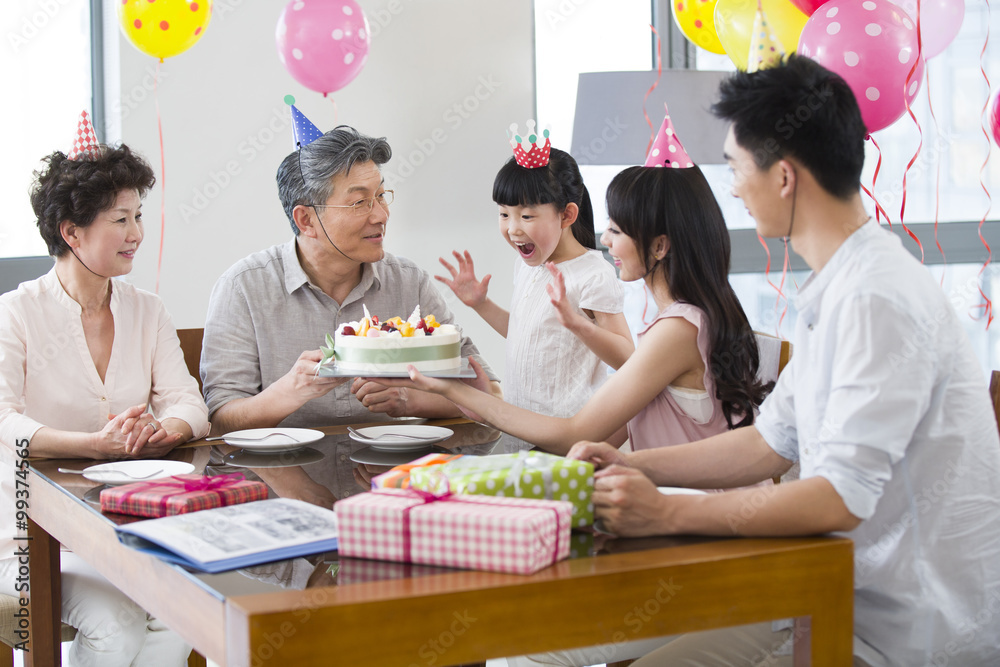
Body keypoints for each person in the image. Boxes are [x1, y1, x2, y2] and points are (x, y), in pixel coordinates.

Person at [569, 55, 1000, 666]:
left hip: (899, 635)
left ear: (785, 176)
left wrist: (665, 510)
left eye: (738, 167)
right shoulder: (842, 285)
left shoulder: (876, 298)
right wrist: (636, 466)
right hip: (825, 599)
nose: (735, 187)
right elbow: (769, 445)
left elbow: (836, 499)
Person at [378, 160, 769, 458]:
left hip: (693, 514)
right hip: (660, 492)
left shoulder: (676, 331)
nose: (605, 239)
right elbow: (608, 433)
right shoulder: (678, 323)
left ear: (660, 246)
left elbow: (574, 433)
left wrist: (458, 392)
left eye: (617, 230)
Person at [200, 124, 500, 505]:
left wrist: (410, 400)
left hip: (393, 489)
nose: (381, 215)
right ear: (307, 219)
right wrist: (289, 392)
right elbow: (222, 420)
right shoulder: (244, 287)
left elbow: (485, 390)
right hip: (280, 491)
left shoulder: (409, 284)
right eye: (359, 202)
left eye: (381, 196)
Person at [0, 122, 209, 666]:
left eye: (138, 215)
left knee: (177, 609)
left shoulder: (148, 310)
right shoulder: (15, 313)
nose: (137, 232)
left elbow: (190, 402)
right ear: (71, 233)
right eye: (121, 219)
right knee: (117, 624)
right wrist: (94, 444)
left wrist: (170, 428)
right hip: (24, 538)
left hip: (119, 527)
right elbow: (3, 422)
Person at [436, 139, 632, 450]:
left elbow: (628, 359)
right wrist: (481, 304)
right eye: (504, 214)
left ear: (567, 215)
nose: (513, 228)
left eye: (526, 216)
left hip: (568, 439)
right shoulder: (526, 265)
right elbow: (528, 334)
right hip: (518, 430)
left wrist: (578, 325)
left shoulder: (594, 274)